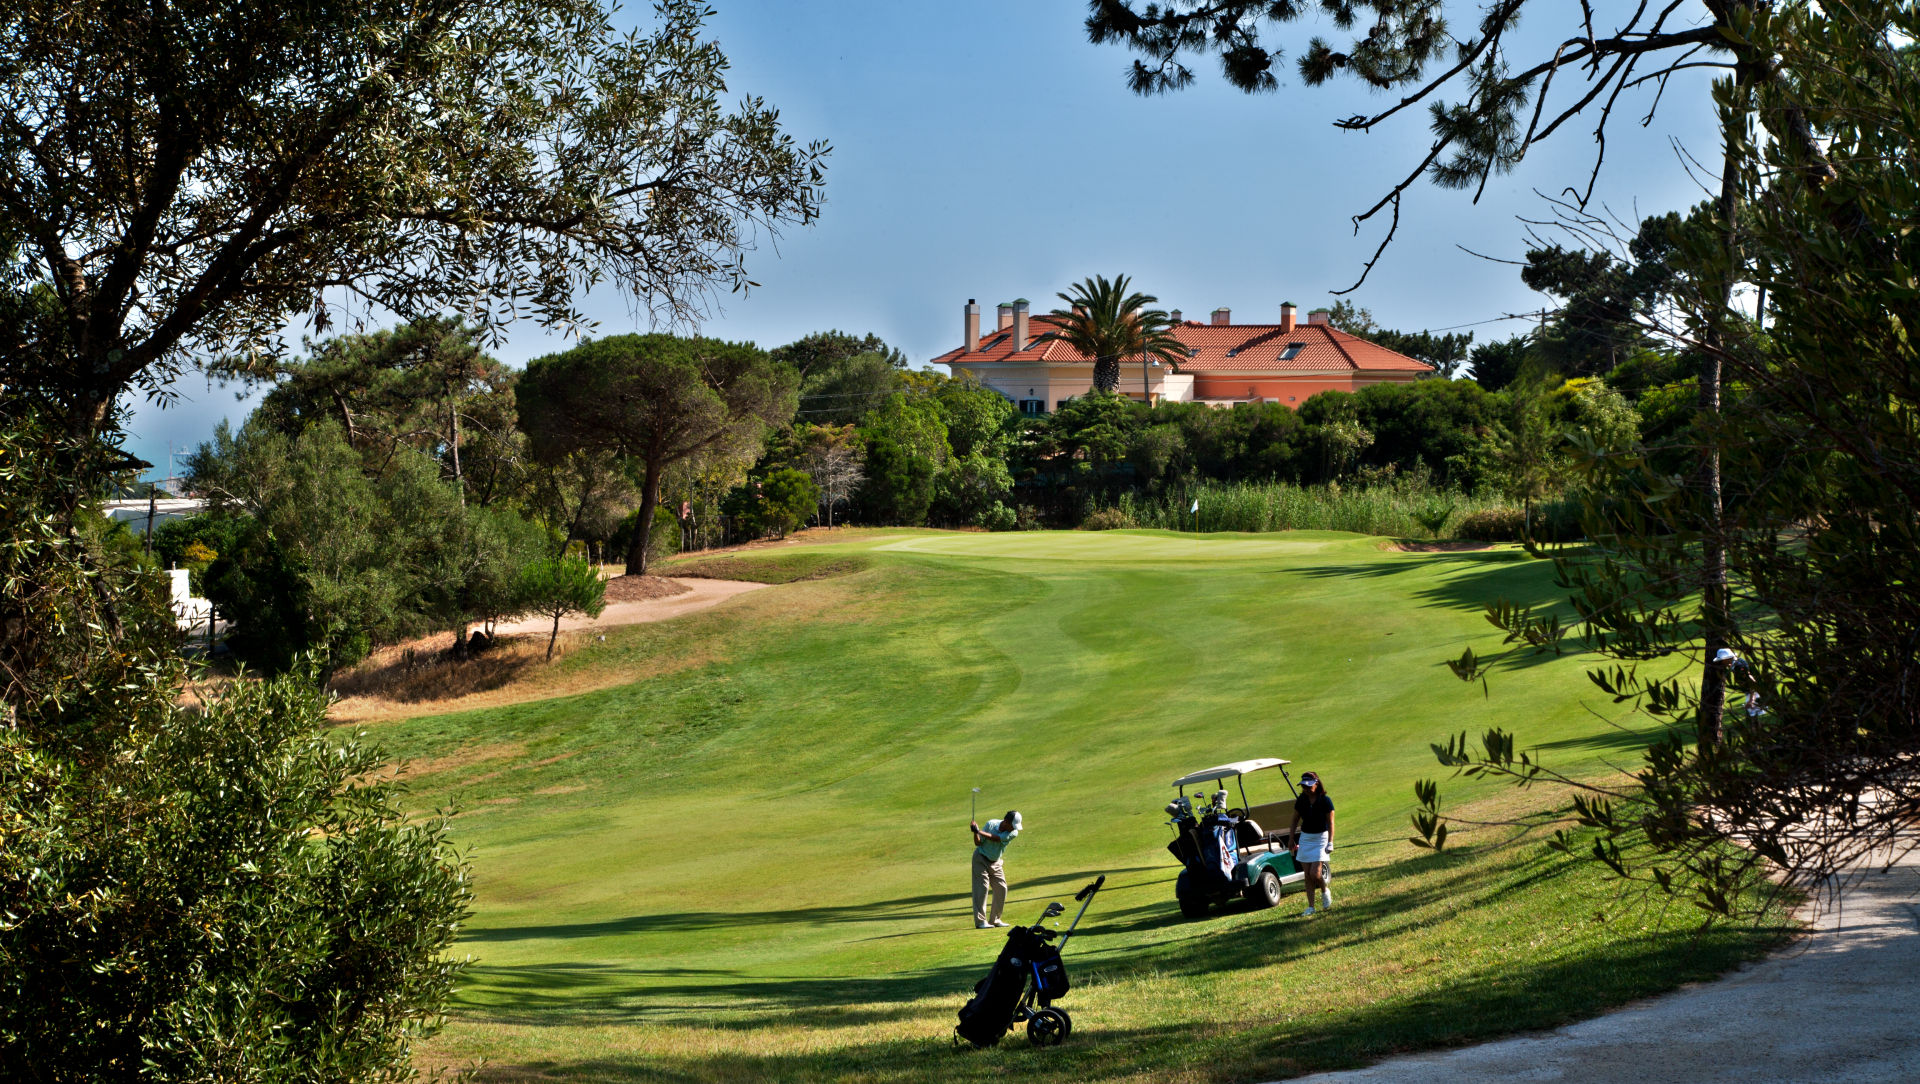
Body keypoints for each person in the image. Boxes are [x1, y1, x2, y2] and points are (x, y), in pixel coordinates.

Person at [1288, 772, 1335, 916]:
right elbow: (1295, 820)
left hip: (1321, 837)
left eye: (1308, 786)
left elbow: (1330, 822)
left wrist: (1330, 841)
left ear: (1316, 784)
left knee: (1315, 873)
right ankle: (1311, 907)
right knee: (1307, 875)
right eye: (1303, 787)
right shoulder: (1301, 800)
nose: (1306, 789)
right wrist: (1291, 838)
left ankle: (1325, 890)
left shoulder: (1325, 801)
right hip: (1306, 838)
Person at [970, 810, 1022, 929]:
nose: (1014, 828)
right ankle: (981, 922)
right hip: (980, 859)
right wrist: (975, 833)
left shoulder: (1013, 833)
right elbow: (978, 843)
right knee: (982, 888)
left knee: (1001, 888)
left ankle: (995, 920)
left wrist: (979, 831)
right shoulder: (991, 824)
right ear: (1006, 821)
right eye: (1012, 825)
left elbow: (996, 838)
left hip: (996, 862)